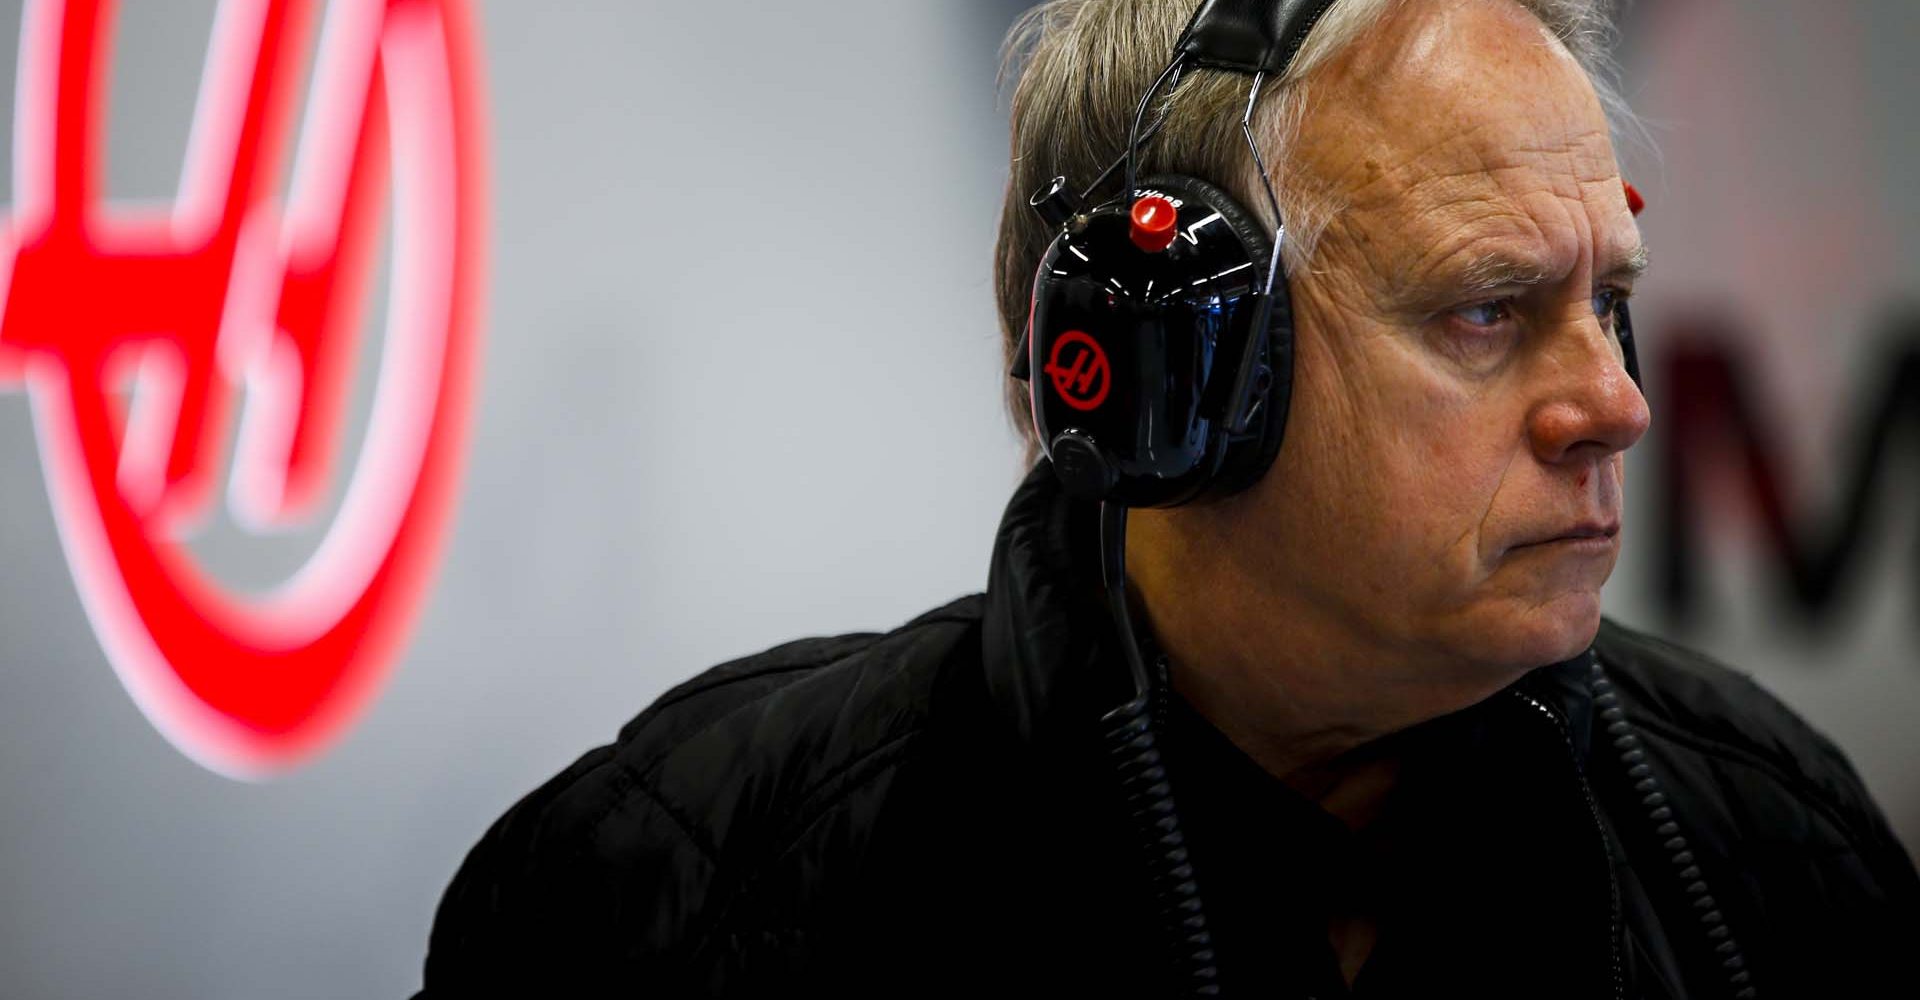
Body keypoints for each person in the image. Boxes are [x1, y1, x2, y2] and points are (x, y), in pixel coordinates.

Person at [418, 1, 1920, 996]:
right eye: (1487, 310)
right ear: (1167, 369)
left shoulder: (1777, 844)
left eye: (1609, 304)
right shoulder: (671, 897)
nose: (1618, 405)